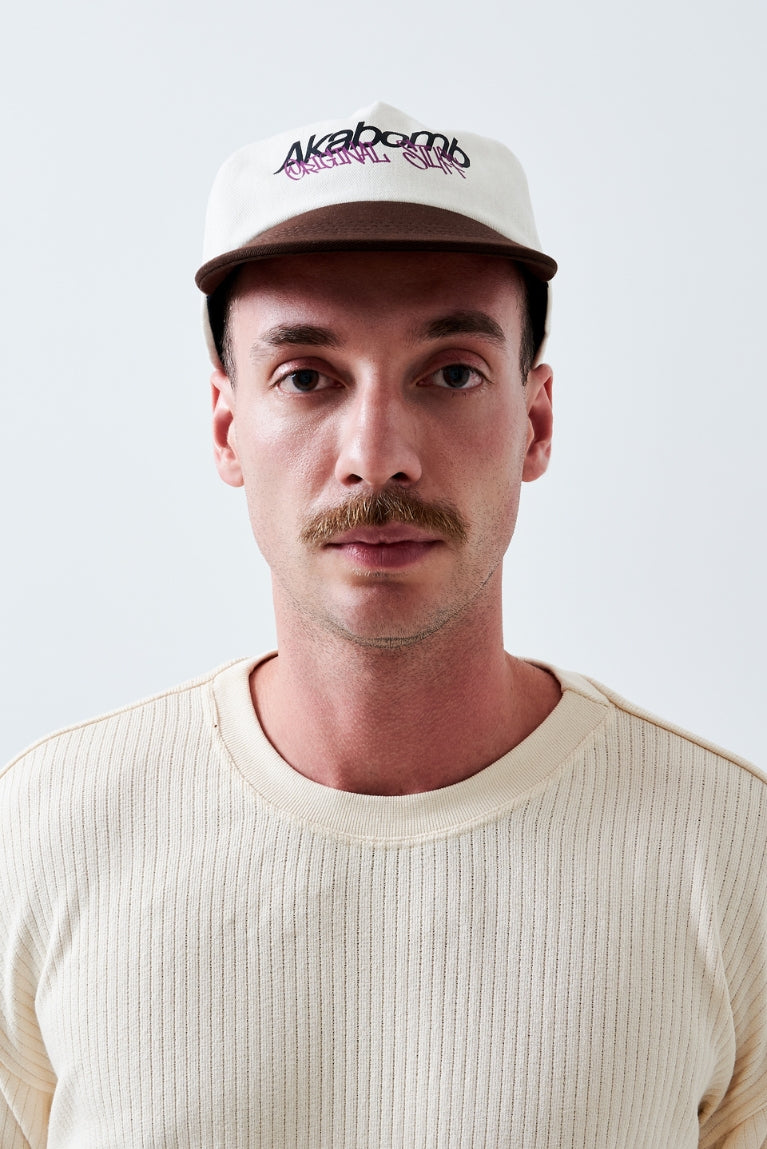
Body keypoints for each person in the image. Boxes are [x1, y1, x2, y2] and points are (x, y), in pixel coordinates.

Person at [1, 102, 765, 1149]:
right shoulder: (44, 834)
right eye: (306, 378)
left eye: (449, 373)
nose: (377, 456)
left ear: (534, 421)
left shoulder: (727, 857)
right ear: (227, 426)